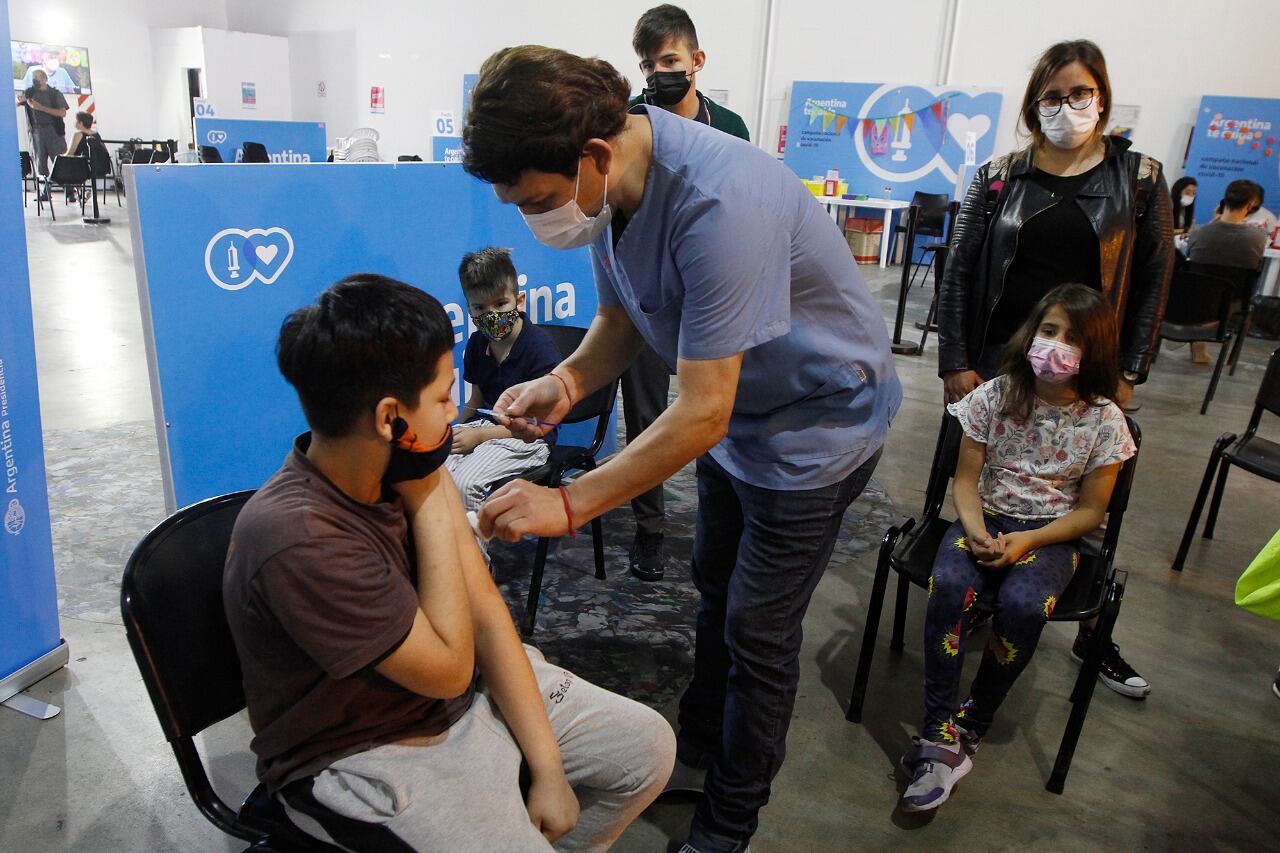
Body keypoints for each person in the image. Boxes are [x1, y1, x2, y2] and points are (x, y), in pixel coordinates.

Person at [464, 46, 901, 853]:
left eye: (538, 200)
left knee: (760, 630)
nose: (535, 218)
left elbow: (699, 411)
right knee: (714, 584)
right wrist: (561, 385)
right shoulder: (610, 193)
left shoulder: (719, 202)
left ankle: (728, 822)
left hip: (816, 428)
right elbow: (623, 321)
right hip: (741, 423)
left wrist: (568, 503)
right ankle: (704, 732)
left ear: (594, 156)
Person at [223, 274, 674, 851]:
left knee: (647, 750)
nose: (452, 415)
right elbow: (448, 669)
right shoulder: (301, 538)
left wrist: (550, 768)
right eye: (442, 400)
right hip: (367, 749)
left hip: (457, 700)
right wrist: (429, 500)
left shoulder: (404, 465)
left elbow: (486, 615)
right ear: (391, 419)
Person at [937, 39, 1171, 700]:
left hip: (1088, 367)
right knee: (978, 486)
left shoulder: (1141, 179)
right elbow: (960, 272)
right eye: (1052, 95)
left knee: (1082, 502)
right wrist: (956, 360)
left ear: (1102, 97)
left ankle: (1090, 627)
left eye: (1080, 93)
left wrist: (1130, 368)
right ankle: (978, 597)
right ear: (1034, 103)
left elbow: (1155, 277)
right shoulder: (998, 176)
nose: (1067, 107)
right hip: (998, 363)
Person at [903, 284, 1136, 812]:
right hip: (982, 519)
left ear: (1094, 351)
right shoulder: (993, 396)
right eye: (1048, 331)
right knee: (951, 587)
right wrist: (978, 529)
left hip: (1052, 535)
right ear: (1030, 332)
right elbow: (965, 481)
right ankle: (938, 730)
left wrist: (1027, 540)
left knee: (1024, 605)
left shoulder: (1104, 421)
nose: (1055, 345)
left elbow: (1091, 512)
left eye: (1072, 338)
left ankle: (973, 722)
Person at [616, 5, 753, 582]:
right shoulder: (630, 122)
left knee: (718, 415)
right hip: (653, 295)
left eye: (669, 61)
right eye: (649, 65)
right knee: (646, 416)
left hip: (719, 296)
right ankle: (649, 530)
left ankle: (725, 526)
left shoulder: (732, 129)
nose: (659, 74)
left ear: (697, 61)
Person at [447, 247, 563, 513]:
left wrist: (478, 436)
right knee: (434, 470)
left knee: (465, 484)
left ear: (519, 301)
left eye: (500, 304)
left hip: (530, 438)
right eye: (480, 307)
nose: (492, 315)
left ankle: (473, 555)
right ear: (470, 309)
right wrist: (457, 431)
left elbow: (539, 423)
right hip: (486, 429)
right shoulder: (477, 343)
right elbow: (477, 400)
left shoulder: (538, 348)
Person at [1188, 179, 1268, 271]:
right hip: (1236, 285)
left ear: (1224, 201)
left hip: (1197, 284)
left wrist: (1213, 222)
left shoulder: (1198, 232)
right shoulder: (1258, 237)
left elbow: (1190, 256)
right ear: (1250, 206)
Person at [16, 69, 69, 201]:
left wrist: (41, 108)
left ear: (45, 78)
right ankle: (45, 192)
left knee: (59, 162)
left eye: (38, 77)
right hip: (36, 132)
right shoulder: (29, 93)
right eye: (34, 77)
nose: (35, 80)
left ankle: (69, 192)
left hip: (53, 131)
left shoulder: (54, 94)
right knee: (40, 164)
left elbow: (62, 113)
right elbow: (17, 104)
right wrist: (20, 100)